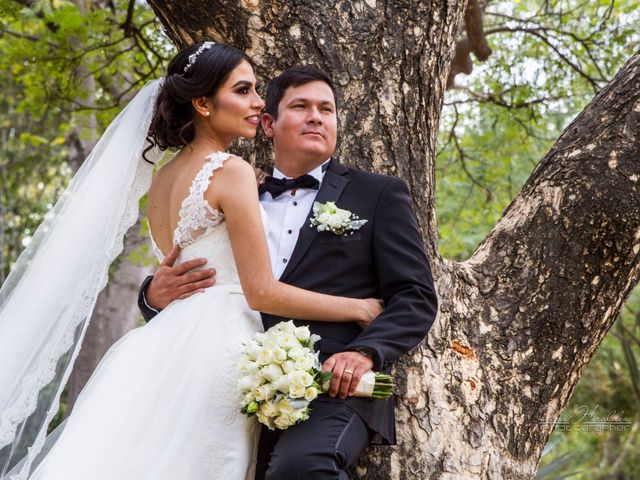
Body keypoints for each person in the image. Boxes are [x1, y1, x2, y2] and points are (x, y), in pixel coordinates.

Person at [1, 42, 386, 480]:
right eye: (243, 91)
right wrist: (358, 307)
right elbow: (260, 290)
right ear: (203, 103)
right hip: (220, 343)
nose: (259, 102)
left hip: (165, 340)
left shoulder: (162, 179)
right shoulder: (232, 171)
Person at [139, 65, 439, 479]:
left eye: (327, 109)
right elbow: (199, 272)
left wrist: (366, 352)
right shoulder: (234, 188)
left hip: (333, 383)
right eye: (300, 107)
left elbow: (416, 295)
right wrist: (151, 295)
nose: (317, 116)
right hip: (230, 377)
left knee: (301, 468)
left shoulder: (378, 194)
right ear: (268, 123)